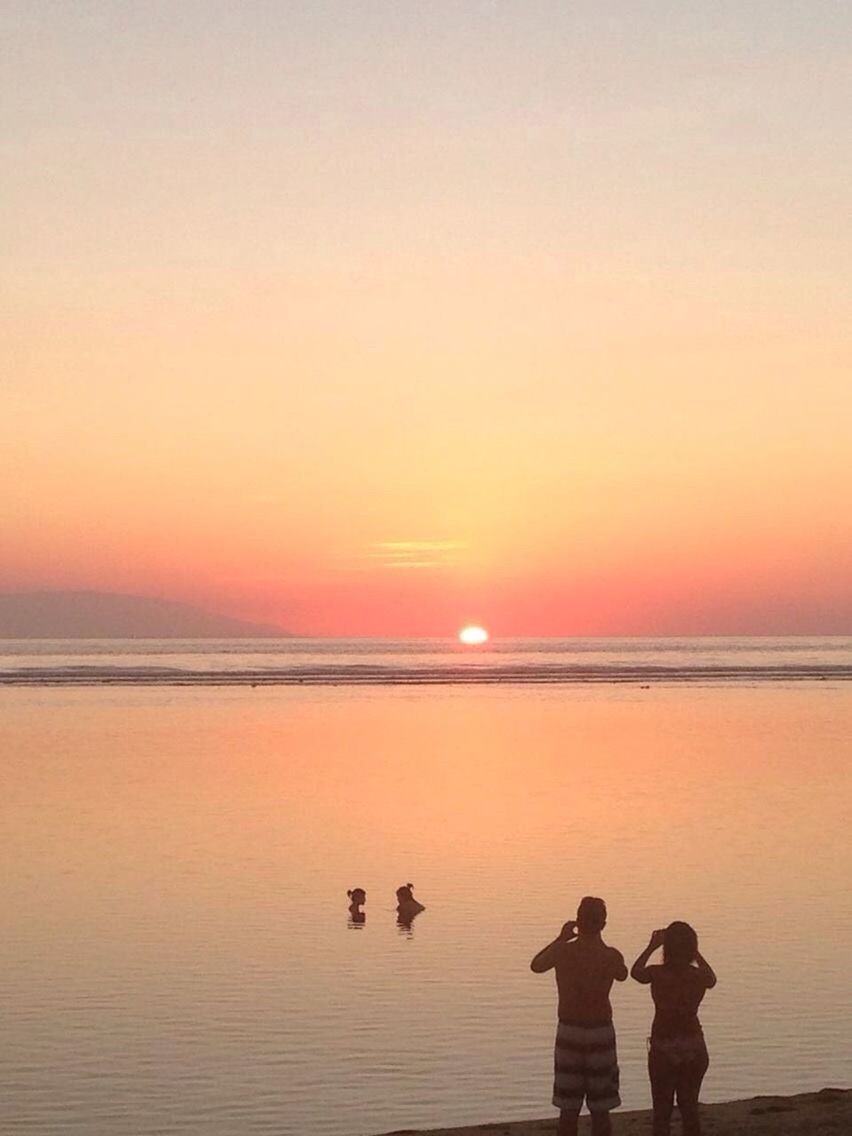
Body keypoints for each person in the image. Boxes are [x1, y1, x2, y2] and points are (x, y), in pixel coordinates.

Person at [530, 896, 627, 1136]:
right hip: (600, 1031)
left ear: (577, 922)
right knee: (601, 1109)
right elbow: (623, 974)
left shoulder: (563, 951)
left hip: (569, 1032)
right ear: (603, 924)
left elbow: (537, 965)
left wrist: (560, 938)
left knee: (568, 1108)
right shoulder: (611, 956)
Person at [630, 922, 717, 1136]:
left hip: (663, 1046)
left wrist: (651, 946)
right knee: (690, 1110)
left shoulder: (657, 973)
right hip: (692, 1044)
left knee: (662, 1111)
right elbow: (712, 979)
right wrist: (695, 952)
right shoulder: (698, 976)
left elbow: (635, 972)